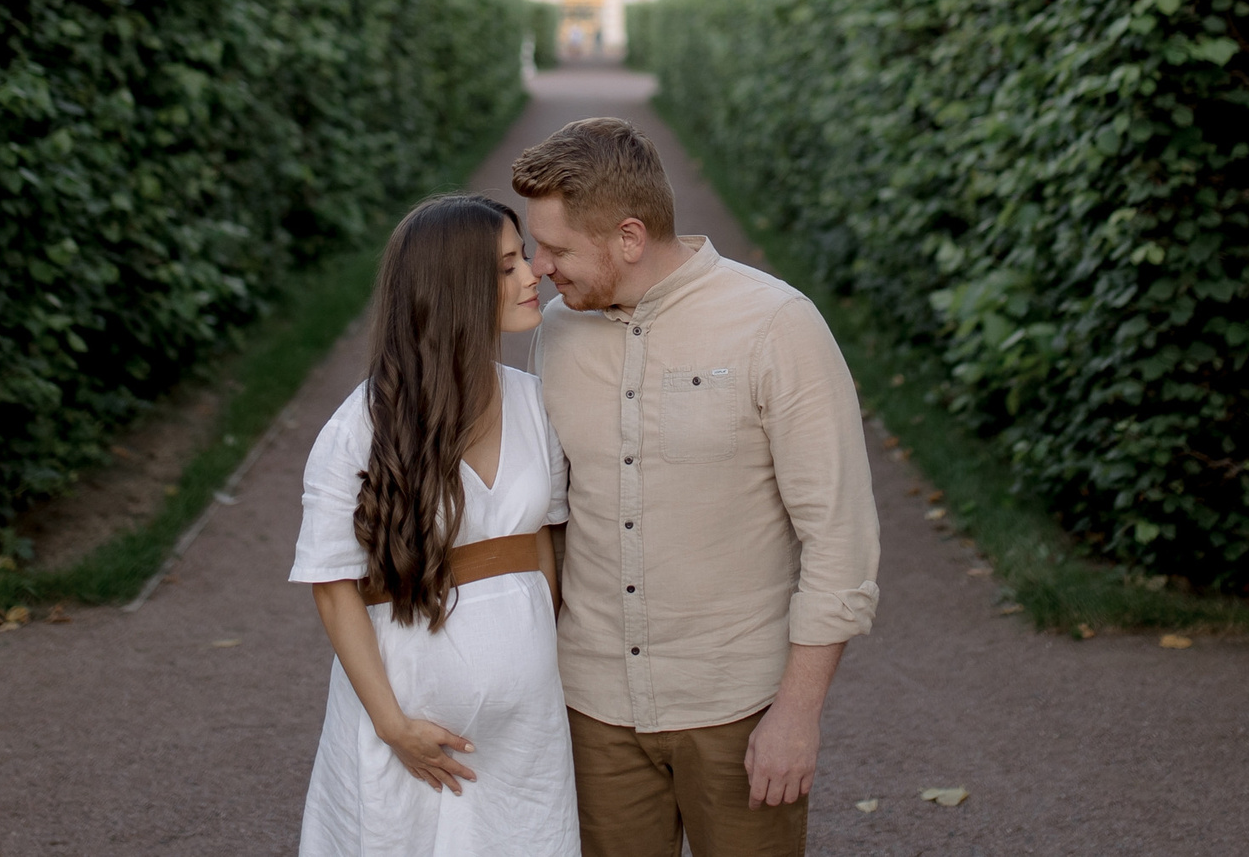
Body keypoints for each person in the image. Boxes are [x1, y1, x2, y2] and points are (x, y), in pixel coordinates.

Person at [512, 119, 879, 857]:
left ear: (627, 236)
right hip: (594, 708)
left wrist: (797, 714)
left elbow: (839, 534)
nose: (538, 266)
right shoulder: (556, 331)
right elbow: (548, 511)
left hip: (738, 707)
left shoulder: (776, 324)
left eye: (555, 248)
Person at [292, 195, 580, 857]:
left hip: (526, 735)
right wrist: (393, 726)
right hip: (412, 733)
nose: (533, 274)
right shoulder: (361, 427)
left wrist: (530, 662)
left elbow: (543, 543)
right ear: (455, 289)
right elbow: (333, 586)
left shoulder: (537, 405)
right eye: (507, 266)